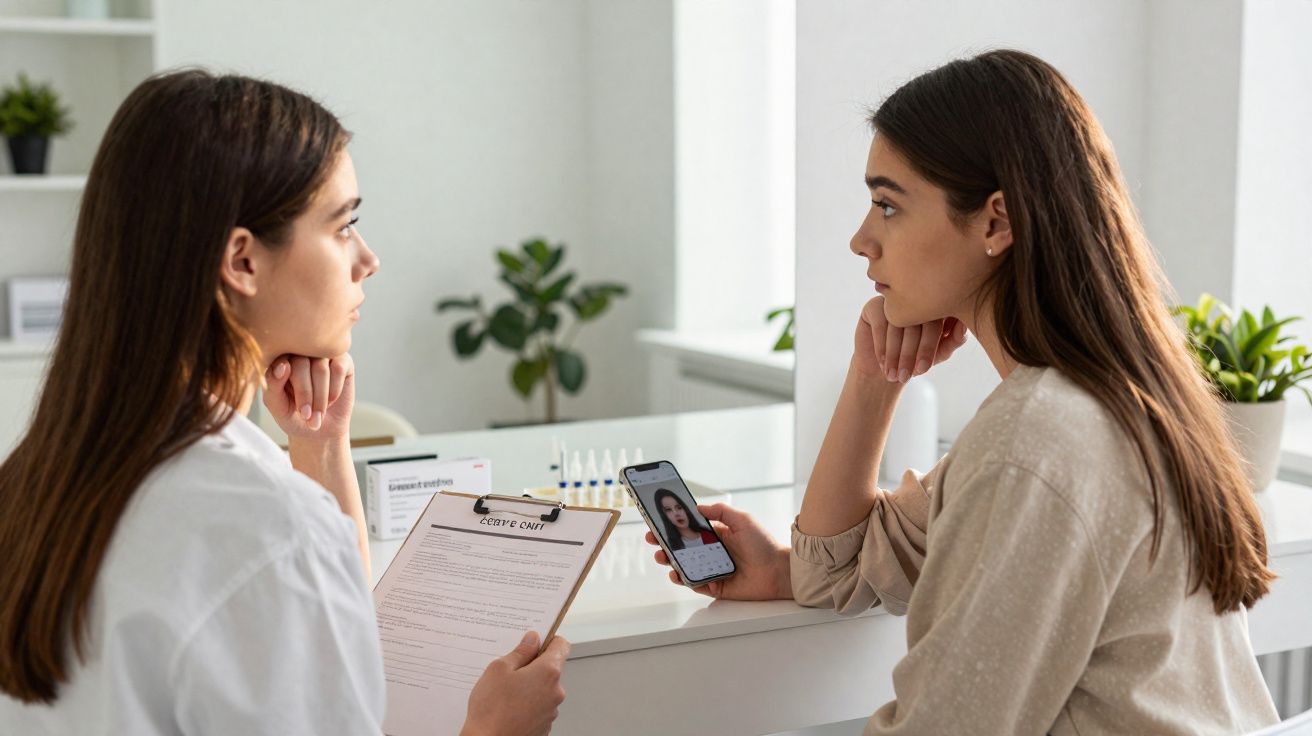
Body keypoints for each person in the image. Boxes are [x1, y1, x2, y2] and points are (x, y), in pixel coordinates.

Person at [647, 50, 1279, 735]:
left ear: (996, 222)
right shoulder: (1100, 401)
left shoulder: (1037, 438)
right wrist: (875, 377)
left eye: (888, 205)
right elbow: (832, 572)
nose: (862, 240)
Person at [0, 70, 567, 736]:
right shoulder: (268, 528)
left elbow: (331, 637)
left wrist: (320, 448)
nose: (368, 259)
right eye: (343, 226)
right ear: (241, 261)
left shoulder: (35, 483)